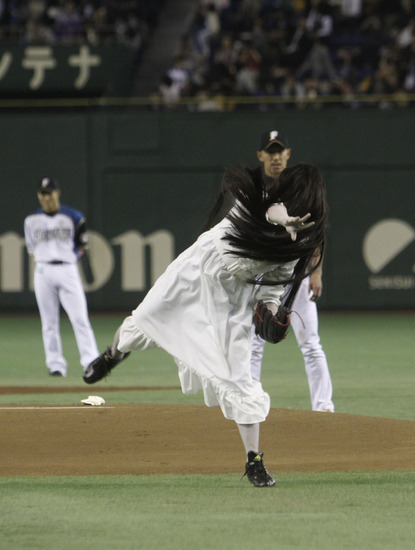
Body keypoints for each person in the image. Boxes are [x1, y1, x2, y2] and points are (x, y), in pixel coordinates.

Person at [82, 163, 328, 487]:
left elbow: (271, 290)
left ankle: (254, 460)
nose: (301, 212)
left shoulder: (294, 249)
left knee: (239, 376)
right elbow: (273, 210)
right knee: (141, 322)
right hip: (196, 270)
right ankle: (113, 354)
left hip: (232, 298)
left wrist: (269, 314)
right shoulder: (261, 203)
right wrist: (284, 219)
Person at [249, 131, 335, 413]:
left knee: (311, 344)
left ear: (288, 154)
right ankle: (249, 401)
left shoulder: (301, 188)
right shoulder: (255, 190)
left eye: (280, 151)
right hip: (265, 276)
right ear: (261, 155)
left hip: (298, 276)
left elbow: (317, 232)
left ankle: (323, 408)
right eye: (270, 151)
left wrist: (316, 273)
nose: (275, 157)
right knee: (255, 342)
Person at [24, 177, 99, 377]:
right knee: (48, 322)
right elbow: (31, 248)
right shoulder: (31, 220)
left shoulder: (73, 216)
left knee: (80, 319)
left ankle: (90, 362)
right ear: (39, 195)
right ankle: (55, 365)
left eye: (49, 193)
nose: (46, 197)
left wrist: (73, 257)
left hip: (67, 269)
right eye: (43, 194)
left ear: (58, 192)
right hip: (43, 270)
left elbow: (83, 244)